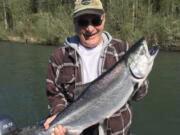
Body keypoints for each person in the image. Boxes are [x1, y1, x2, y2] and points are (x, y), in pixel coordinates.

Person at [44, 0, 149, 135]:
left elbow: (139, 96)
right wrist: (59, 114)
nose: (90, 28)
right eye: (83, 22)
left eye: (95, 20)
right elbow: (54, 93)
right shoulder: (59, 57)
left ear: (103, 19)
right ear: (74, 22)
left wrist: (141, 77)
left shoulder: (122, 49)